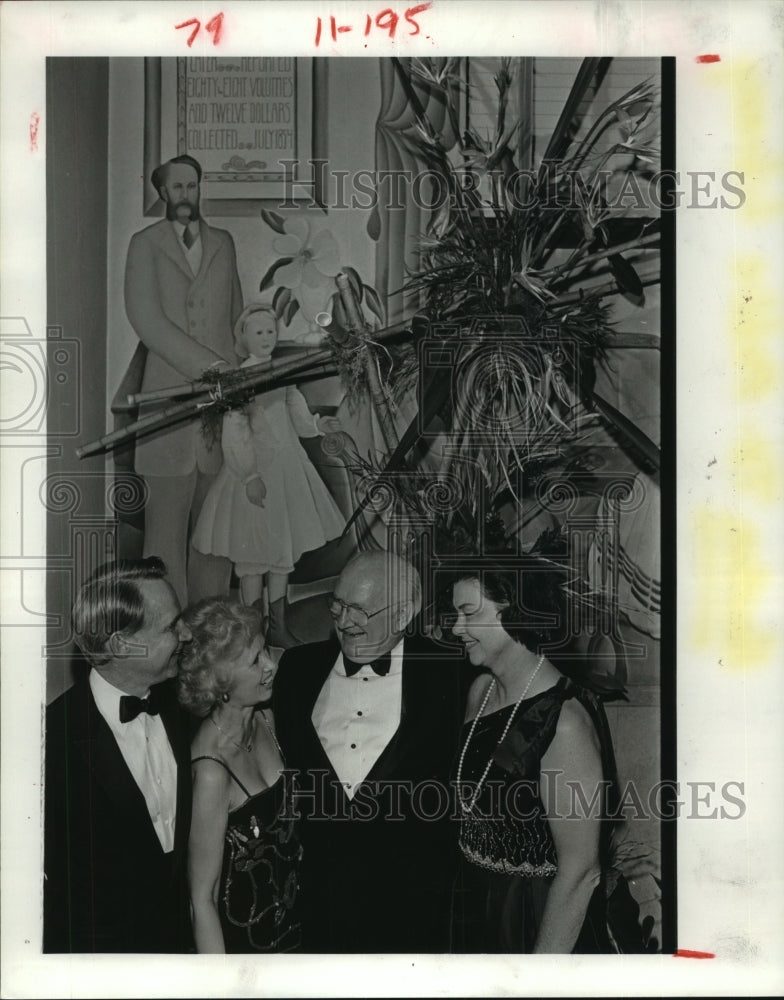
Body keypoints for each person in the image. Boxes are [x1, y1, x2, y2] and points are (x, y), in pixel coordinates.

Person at [273, 550, 471, 952]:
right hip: (316, 912)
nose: (343, 621)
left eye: (359, 610)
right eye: (338, 605)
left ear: (402, 616)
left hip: (417, 915)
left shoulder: (453, 673)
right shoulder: (296, 670)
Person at [446, 559, 621, 953]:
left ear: (513, 609)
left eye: (468, 613)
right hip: (474, 912)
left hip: (535, 921)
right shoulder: (481, 690)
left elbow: (581, 872)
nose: (456, 628)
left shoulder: (565, 723)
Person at [44, 557, 194, 953]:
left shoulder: (185, 709)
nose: (187, 633)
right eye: (171, 626)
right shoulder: (52, 744)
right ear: (120, 644)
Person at [124, 153, 244, 606]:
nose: (185, 196)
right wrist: (212, 369)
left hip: (219, 415)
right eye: (177, 187)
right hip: (166, 411)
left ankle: (213, 633)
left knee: (218, 533)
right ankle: (165, 635)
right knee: (164, 538)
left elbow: (235, 317)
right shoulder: (144, 244)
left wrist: (247, 367)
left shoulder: (223, 242)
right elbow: (148, 321)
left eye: (192, 186)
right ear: (162, 192)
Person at [191, 302, 346, 647]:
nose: (266, 337)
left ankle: (278, 624)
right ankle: (252, 628)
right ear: (244, 337)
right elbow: (235, 431)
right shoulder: (239, 380)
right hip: (255, 471)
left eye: (270, 331)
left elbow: (297, 413)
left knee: (281, 551)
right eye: (258, 332)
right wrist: (248, 476)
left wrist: (319, 425)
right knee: (253, 557)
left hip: (287, 469)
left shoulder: (284, 372)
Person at [178, 597, 302, 953]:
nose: (271, 666)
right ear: (221, 682)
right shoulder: (211, 770)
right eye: (255, 661)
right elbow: (202, 899)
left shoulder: (266, 719)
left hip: (294, 927)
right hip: (247, 945)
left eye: (265, 652)